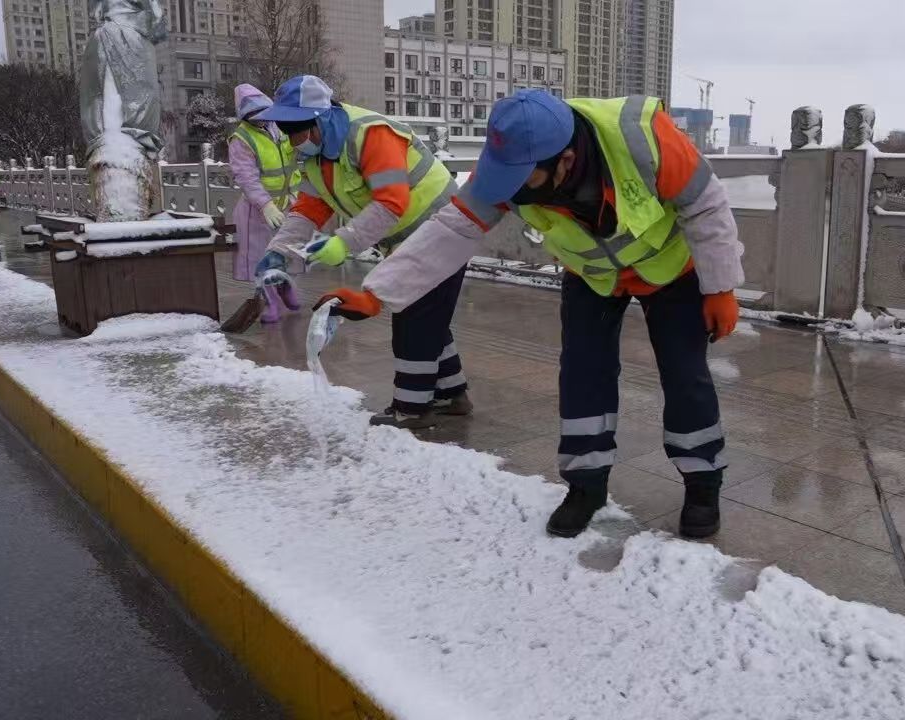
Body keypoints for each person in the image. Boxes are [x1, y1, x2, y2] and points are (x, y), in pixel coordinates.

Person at [316, 90, 744, 540]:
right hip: (593, 274)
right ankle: (586, 485)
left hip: (671, 270)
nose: (512, 192)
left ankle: (702, 484)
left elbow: (706, 205)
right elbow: (454, 228)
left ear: (565, 161)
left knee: (684, 373)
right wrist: (376, 293)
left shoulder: (643, 137)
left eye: (524, 180)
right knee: (583, 374)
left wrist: (721, 287)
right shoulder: (508, 165)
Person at [254, 75, 471, 429]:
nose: (293, 141)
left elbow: (390, 202)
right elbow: (309, 207)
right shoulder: (317, 155)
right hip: (408, 238)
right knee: (427, 315)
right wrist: (279, 250)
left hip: (442, 229)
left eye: (296, 130)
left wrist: (344, 242)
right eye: (285, 130)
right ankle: (452, 394)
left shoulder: (371, 135)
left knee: (413, 317)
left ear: (320, 120)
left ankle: (412, 407)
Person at [227, 83, 303, 323]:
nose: (259, 117)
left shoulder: (280, 127)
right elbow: (246, 176)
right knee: (261, 258)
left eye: (262, 111)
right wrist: (265, 204)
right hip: (257, 211)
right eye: (253, 114)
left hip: (288, 203)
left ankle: (284, 287)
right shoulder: (241, 138)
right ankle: (268, 299)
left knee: (286, 252)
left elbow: (296, 154)